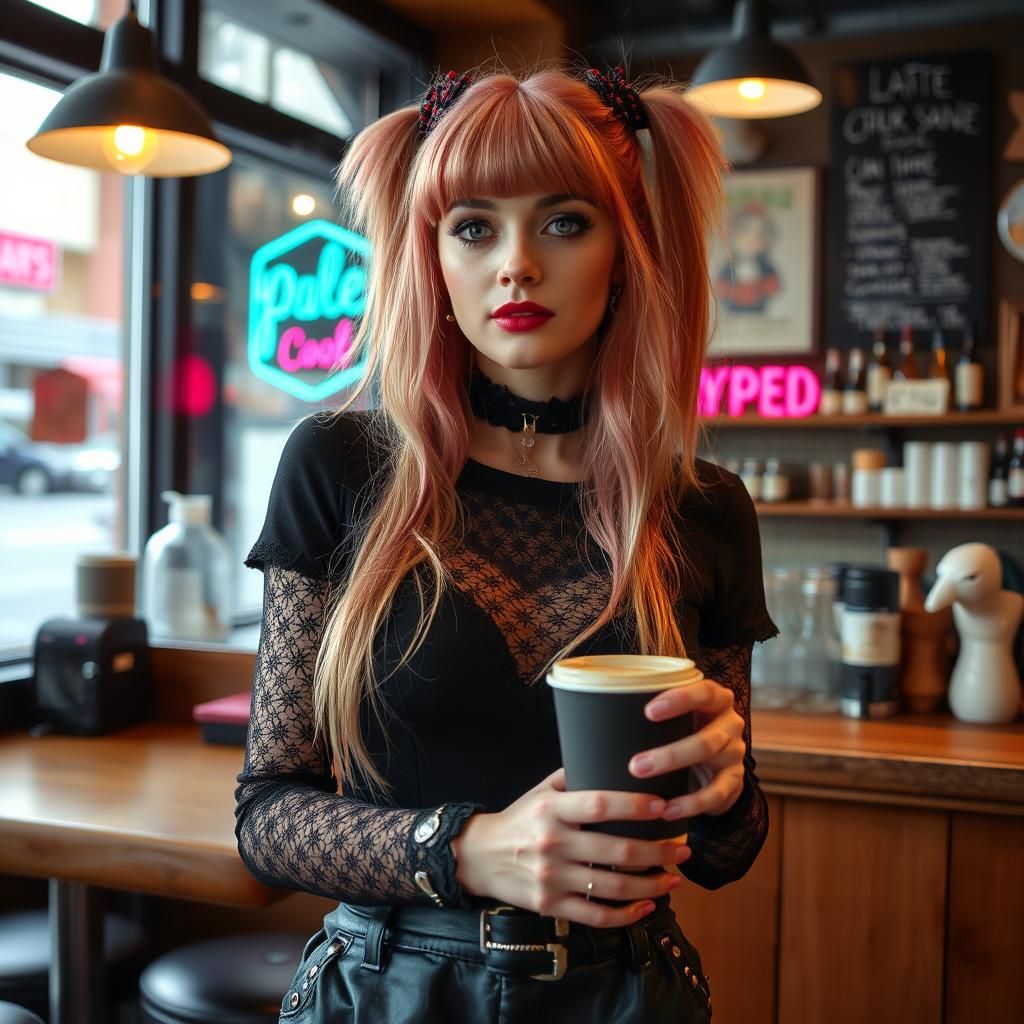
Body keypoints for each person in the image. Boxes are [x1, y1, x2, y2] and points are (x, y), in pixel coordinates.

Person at [235, 61, 778, 1024]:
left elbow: (727, 856)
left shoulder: (703, 508)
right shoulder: (339, 464)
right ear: (433, 256)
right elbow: (267, 814)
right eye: (473, 227)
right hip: (386, 991)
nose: (515, 263)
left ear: (628, 247)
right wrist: (470, 848)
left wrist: (726, 789)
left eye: (565, 221)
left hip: (625, 993)